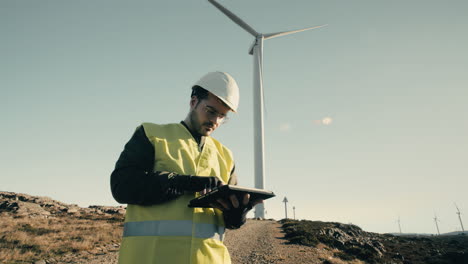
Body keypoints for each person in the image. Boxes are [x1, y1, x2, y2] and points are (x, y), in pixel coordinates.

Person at [110, 71, 261, 264]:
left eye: (222, 116)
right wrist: (186, 183)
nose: (215, 121)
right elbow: (122, 186)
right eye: (211, 111)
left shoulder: (225, 156)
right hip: (152, 258)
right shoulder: (152, 135)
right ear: (193, 102)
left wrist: (237, 215)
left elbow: (228, 222)